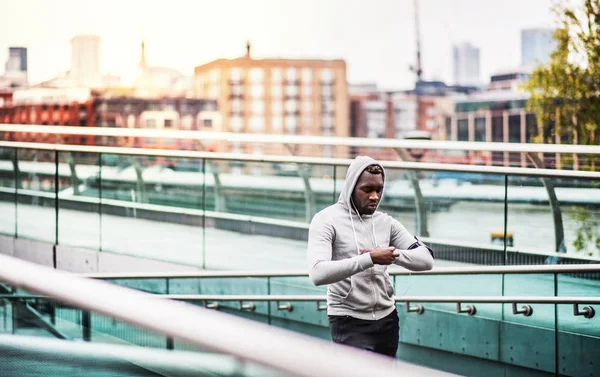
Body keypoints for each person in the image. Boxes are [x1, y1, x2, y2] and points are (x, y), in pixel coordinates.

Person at [307, 156, 434, 357]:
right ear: (351, 187)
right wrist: (370, 259)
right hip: (348, 320)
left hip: (387, 319)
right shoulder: (325, 220)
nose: (374, 196)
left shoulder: (386, 222)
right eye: (367, 190)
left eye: (379, 190)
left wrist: (394, 255)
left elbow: (426, 260)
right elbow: (317, 273)